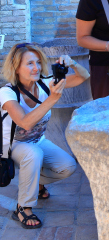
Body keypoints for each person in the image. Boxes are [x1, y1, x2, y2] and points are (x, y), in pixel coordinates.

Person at [0, 43, 90, 229]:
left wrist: (72, 62)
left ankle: (36, 183)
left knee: (67, 166)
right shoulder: (7, 93)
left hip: (37, 141)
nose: (36, 68)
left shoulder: (44, 84)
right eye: (30, 63)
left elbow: (84, 76)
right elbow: (25, 122)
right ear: (16, 68)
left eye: (38, 62)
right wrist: (52, 99)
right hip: (13, 146)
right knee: (33, 154)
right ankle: (23, 207)